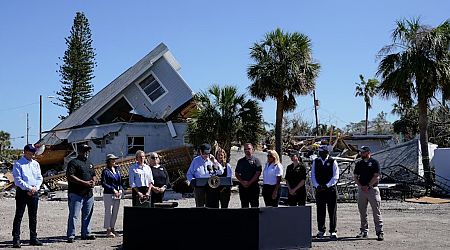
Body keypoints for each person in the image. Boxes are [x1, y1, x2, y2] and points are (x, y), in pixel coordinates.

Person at [11, 144, 44, 248]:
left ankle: (33, 238)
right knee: (19, 216)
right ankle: (16, 239)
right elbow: (18, 180)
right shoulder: (18, 164)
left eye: (33, 153)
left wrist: (35, 188)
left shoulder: (36, 164)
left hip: (34, 192)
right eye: (30, 153)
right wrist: (29, 188)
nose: (31, 155)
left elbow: (39, 177)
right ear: (25, 152)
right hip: (22, 192)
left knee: (33, 216)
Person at [66, 143, 97, 243]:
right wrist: (84, 183)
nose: (86, 152)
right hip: (76, 193)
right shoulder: (73, 163)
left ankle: (86, 233)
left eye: (87, 150)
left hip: (88, 194)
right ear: (79, 151)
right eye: (84, 150)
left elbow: (94, 174)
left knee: (87, 214)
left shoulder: (90, 163)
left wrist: (93, 181)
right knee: (74, 215)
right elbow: (70, 176)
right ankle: (71, 235)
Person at [354, 146, 384, 241]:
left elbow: (377, 176)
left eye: (363, 152)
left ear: (368, 152)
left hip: (372, 189)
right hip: (362, 190)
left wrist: (368, 185)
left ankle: (379, 231)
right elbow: (355, 176)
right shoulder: (359, 163)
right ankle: (364, 231)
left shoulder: (375, 162)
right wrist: (360, 186)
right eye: (361, 152)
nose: (361, 154)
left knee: (376, 211)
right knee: (362, 211)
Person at [311, 145, 340, 239]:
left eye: (321, 151)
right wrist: (317, 185)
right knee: (320, 211)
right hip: (319, 190)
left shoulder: (333, 161)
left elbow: (336, 176)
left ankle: (333, 231)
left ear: (326, 152)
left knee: (332, 211)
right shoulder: (316, 161)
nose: (320, 153)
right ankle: (321, 230)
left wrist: (327, 185)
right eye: (319, 151)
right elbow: (313, 175)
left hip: (330, 190)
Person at [186, 143, 224, 208]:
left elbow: (221, 172)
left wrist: (215, 161)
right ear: (200, 152)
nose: (206, 155)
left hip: (211, 186)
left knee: (211, 205)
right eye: (204, 153)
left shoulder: (212, 160)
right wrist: (193, 180)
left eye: (207, 153)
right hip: (199, 187)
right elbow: (189, 174)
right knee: (200, 206)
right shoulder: (196, 160)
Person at [101, 154, 123, 238]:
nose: (114, 161)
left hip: (117, 193)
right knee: (108, 211)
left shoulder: (117, 170)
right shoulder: (105, 171)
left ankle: (113, 228)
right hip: (108, 193)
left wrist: (120, 190)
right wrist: (113, 189)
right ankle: (108, 229)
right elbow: (103, 183)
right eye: (112, 160)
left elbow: (120, 182)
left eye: (114, 159)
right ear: (108, 161)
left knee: (115, 211)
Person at [235, 143, 262, 208]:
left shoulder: (256, 161)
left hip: (253, 187)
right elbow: (236, 173)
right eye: (245, 149)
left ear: (252, 149)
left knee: (254, 206)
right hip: (243, 187)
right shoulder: (240, 161)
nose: (247, 150)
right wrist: (242, 182)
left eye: (249, 149)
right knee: (244, 206)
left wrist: (249, 182)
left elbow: (258, 173)